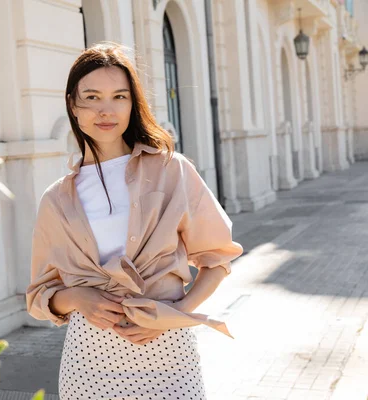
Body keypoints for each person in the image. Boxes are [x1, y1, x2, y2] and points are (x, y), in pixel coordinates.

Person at [26, 42, 243, 400]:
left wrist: (175, 312)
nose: (106, 110)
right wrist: (79, 297)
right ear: (73, 105)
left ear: (133, 104)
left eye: (119, 96)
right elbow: (39, 297)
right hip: (89, 362)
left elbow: (217, 260)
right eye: (92, 97)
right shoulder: (56, 199)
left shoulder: (172, 170)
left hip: (168, 353)